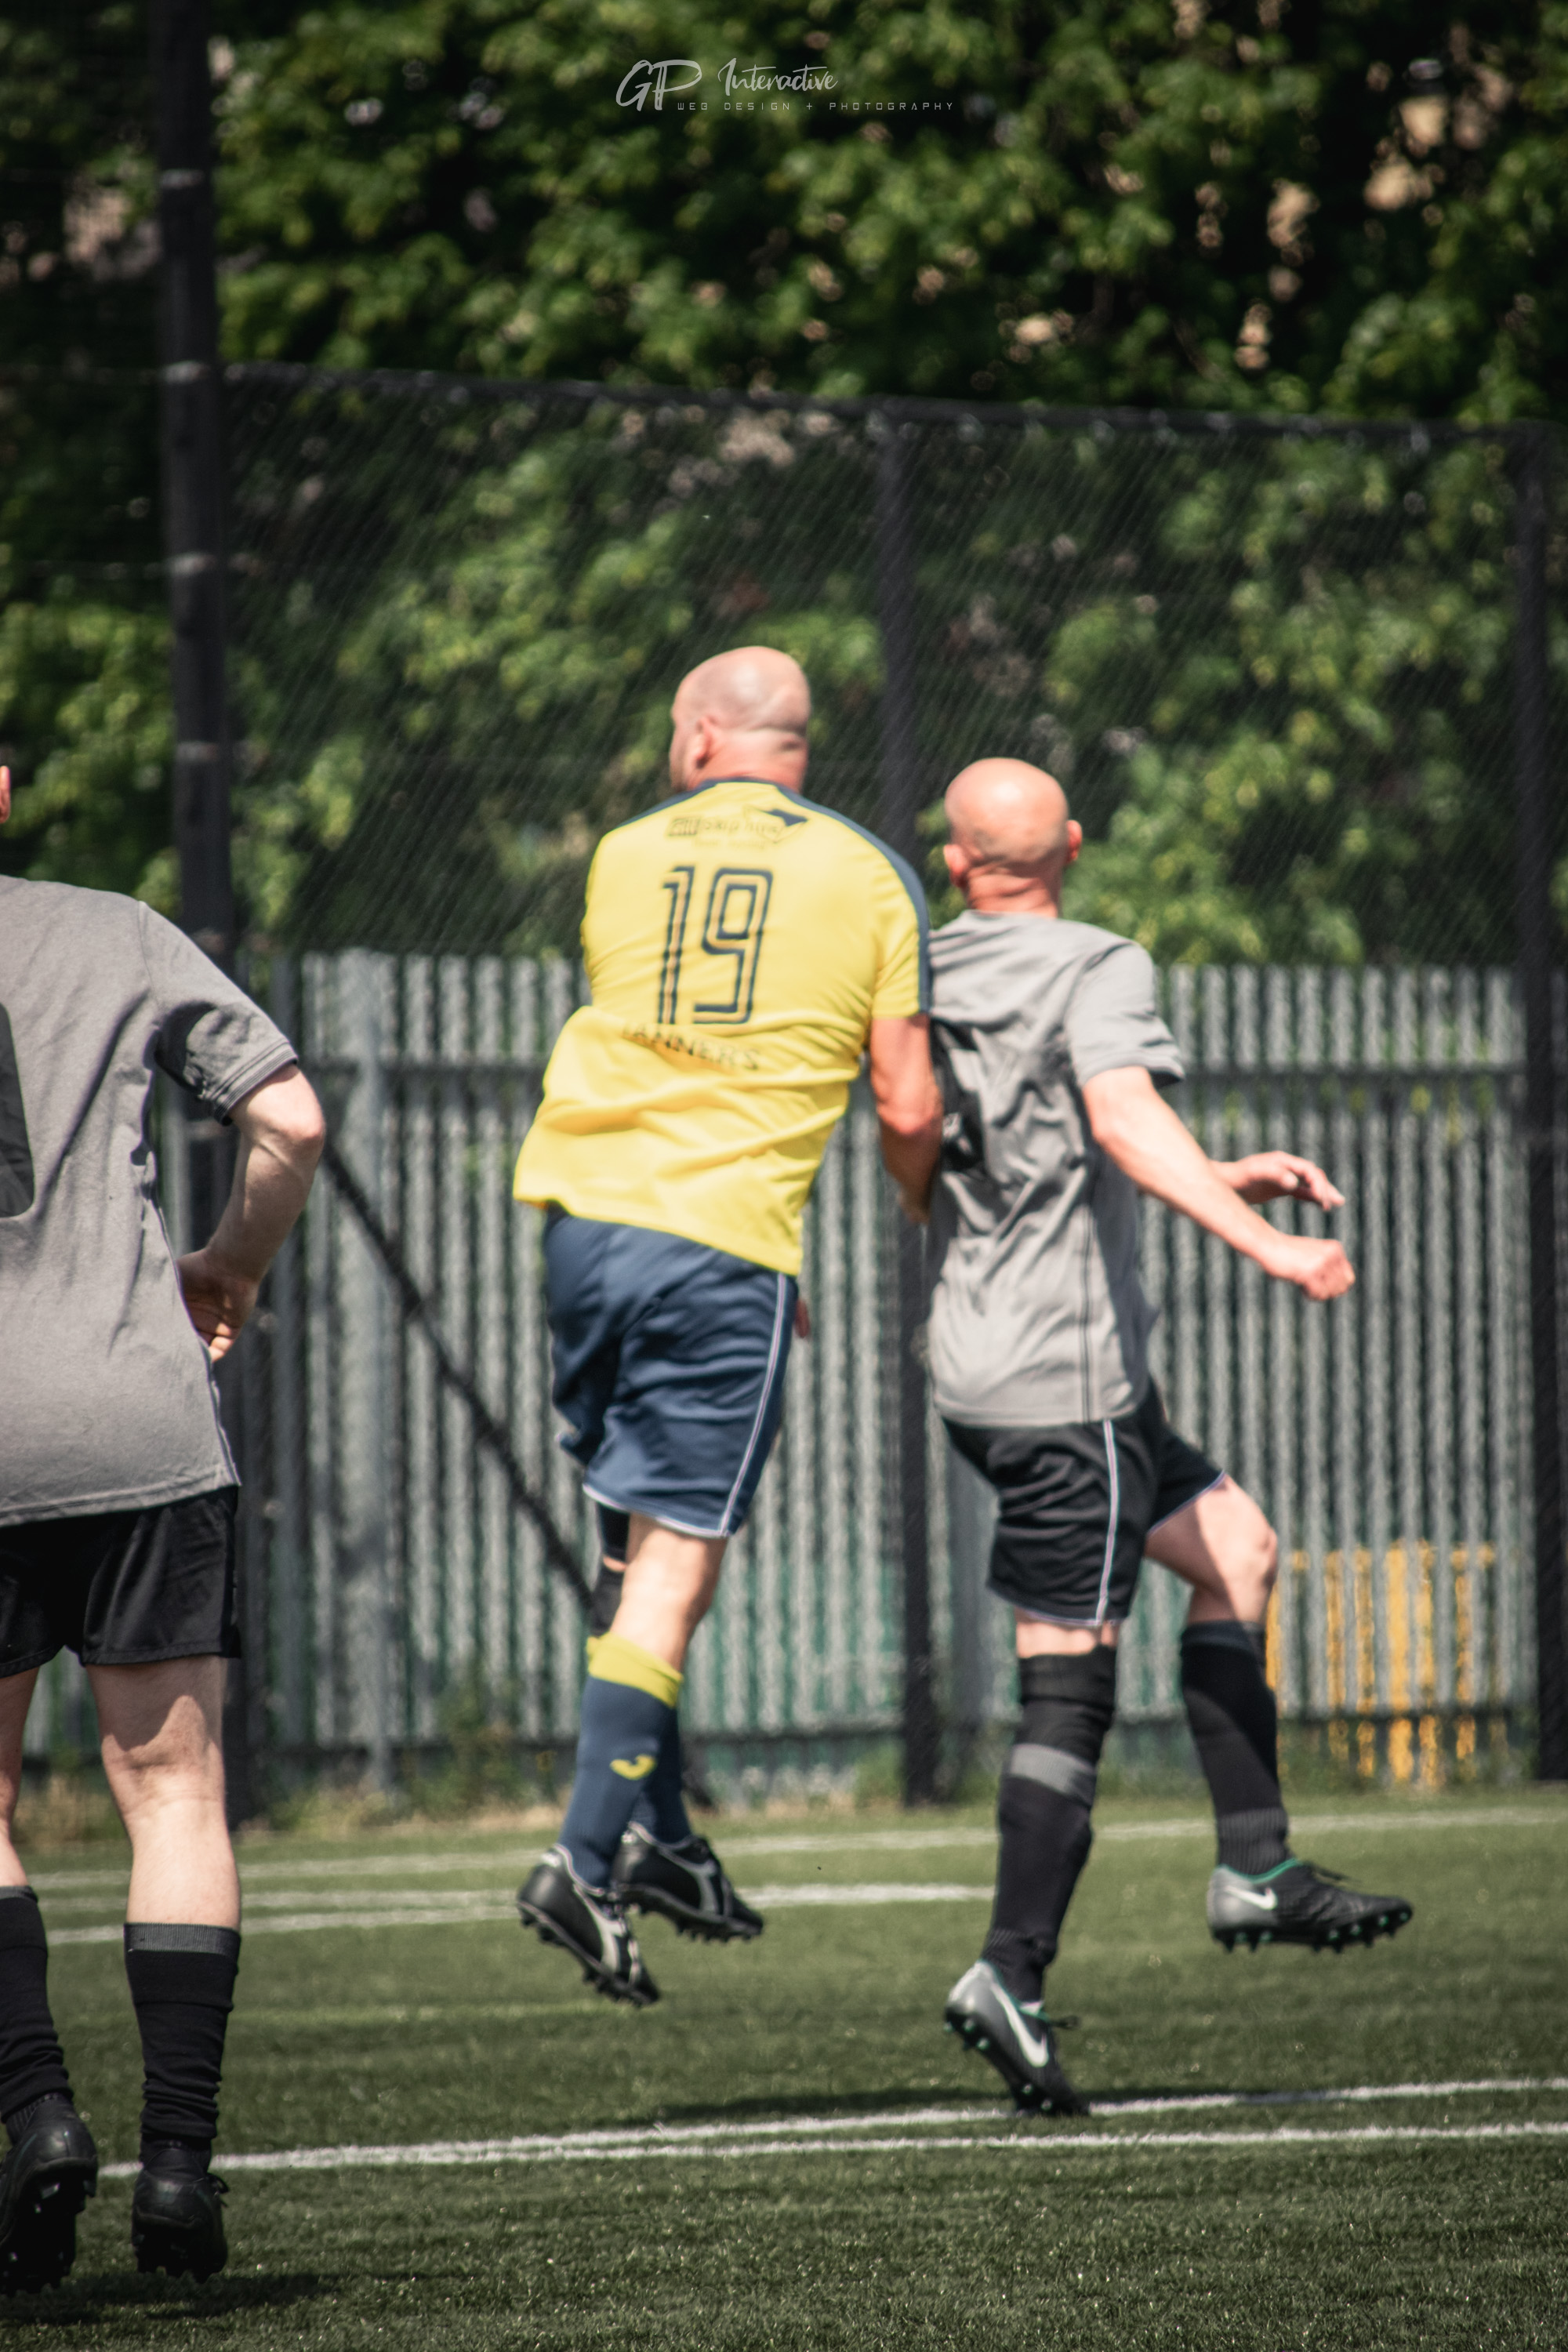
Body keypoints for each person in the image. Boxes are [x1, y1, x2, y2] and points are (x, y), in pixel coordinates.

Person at [925, 758, 1412, 2117]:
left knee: (1236, 1547)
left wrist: (1224, 1169)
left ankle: (1254, 1863)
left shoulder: (920, 968)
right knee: (1070, 1675)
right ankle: (1009, 1974)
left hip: (1001, 1359)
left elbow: (983, 1128)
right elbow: (1120, 1113)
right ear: (1071, 846)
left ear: (957, 862)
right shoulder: (1096, 958)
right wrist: (1268, 1240)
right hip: (1062, 1381)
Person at [512, 648, 942, 2004]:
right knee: (681, 1556)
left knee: (629, 1546)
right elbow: (909, 1101)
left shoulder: (622, 857)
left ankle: (663, 1834)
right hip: (725, 1245)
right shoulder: (871, 873)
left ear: (702, 735)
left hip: (584, 1225)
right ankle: (585, 1858)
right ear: (794, 746)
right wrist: (919, 1198)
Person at [0, 764, 325, 2288]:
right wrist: (227, 1266)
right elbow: (293, 1120)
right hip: (138, 1417)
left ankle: (38, 2116)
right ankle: (180, 2169)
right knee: (177, 1795)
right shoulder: (113, 931)